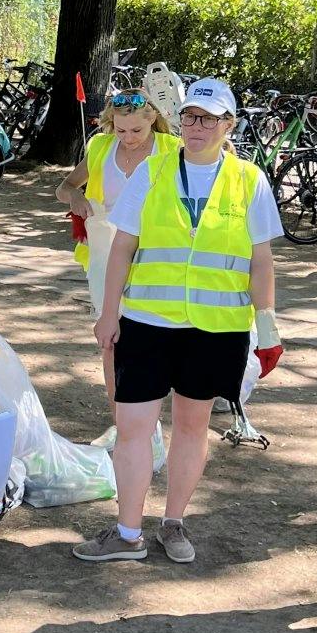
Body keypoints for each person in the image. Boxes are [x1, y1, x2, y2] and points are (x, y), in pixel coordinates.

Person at [75, 78, 284, 567]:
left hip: (216, 327)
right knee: (133, 428)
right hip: (146, 321)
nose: (196, 127)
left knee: (191, 428)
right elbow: (123, 245)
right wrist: (109, 314)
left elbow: (261, 260)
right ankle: (128, 533)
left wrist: (268, 328)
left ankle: (173, 523)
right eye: (190, 116)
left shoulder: (249, 180)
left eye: (209, 119)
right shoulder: (153, 170)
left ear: (229, 125)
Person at [57, 89, 178, 425]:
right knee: (110, 339)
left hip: (155, 256)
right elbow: (64, 186)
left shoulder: (173, 150)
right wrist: (75, 198)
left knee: (150, 340)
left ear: (152, 118)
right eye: (120, 131)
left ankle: (147, 423)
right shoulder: (100, 147)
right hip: (105, 253)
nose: (128, 139)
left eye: (136, 131)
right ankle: (121, 425)